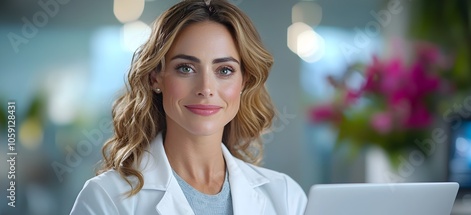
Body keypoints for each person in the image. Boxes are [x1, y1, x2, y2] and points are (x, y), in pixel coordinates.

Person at [70, 0, 307, 214]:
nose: (206, 88)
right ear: (155, 78)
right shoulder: (107, 198)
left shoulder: (285, 196)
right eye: (186, 68)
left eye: (224, 70)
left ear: (244, 81)